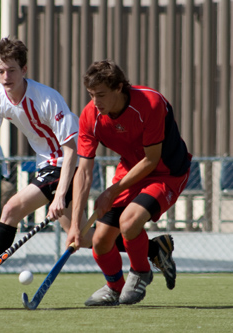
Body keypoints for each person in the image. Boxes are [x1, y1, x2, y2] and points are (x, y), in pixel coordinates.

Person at [0, 38, 175, 305]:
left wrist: (60, 193)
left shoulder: (46, 99)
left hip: (66, 164)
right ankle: (155, 249)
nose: (6, 77)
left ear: (24, 69)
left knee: (10, 210)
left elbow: (72, 150)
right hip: (47, 167)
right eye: (1, 71)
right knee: (85, 238)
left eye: (12, 70)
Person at [67, 60, 191, 306]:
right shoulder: (90, 116)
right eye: (91, 95)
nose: (95, 102)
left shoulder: (150, 103)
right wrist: (74, 224)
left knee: (129, 221)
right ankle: (115, 287)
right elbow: (83, 172)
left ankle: (141, 270)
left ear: (119, 88)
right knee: (100, 241)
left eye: (101, 95)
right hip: (131, 170)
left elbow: (151, 160)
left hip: (166, 172)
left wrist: (111, 192)